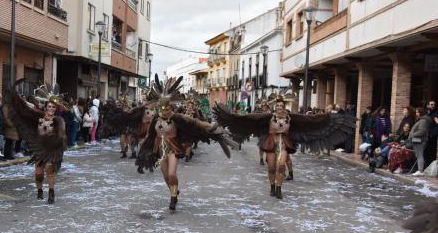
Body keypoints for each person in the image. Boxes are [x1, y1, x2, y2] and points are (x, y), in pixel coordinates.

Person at [214, 93, 355, 199]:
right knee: (271, 167)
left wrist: (328, 117)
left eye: (281, 106)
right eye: (278, 106)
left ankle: (279, 188)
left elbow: (312, 120)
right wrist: (230, 116)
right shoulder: (267, 117)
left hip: (284, 144)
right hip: (270, 142)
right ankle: (272, 186)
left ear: (284, 107)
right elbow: (246, 119)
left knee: (281, 166)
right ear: (275, 107)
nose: (279, 108)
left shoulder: (291, 118)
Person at [137, 75, 239, 210]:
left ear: (170, 108)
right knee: (166, 176)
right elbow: (150, 135)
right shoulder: (155, 119)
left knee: (172, 174)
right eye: (163, 109)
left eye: (168, 109)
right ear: (159, 108)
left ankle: (173, 197)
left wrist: (210, 127)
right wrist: (145, 146)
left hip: (173, 148)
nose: (166, 112)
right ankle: (173, 190)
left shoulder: (177, 117)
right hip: (160, 150)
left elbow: (195, 122)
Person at [6, 81, 67, 204]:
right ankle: (39, 190)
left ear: (56, 109)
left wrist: (58, 140)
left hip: (53, 148)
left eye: (53, 107)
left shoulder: (58, 120)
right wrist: (15, 97)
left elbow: (61, 134)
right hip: (40, 148)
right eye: (49, 106)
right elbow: (24, 111)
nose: (51, 109)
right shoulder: (38, 116)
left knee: (49, 168)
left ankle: (51, 192)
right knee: (39, 174)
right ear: (46, 107)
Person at [410, 107, 432, 176]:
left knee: (419, 155)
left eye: (417, 112)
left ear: (421, 113)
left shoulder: (423, 121)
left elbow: (422, 131)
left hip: (420, 140)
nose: (416, 114)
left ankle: (420, 171)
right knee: (419, 155)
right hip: (418, 140)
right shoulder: (421, 120)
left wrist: (412, 135)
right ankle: (420, 170)